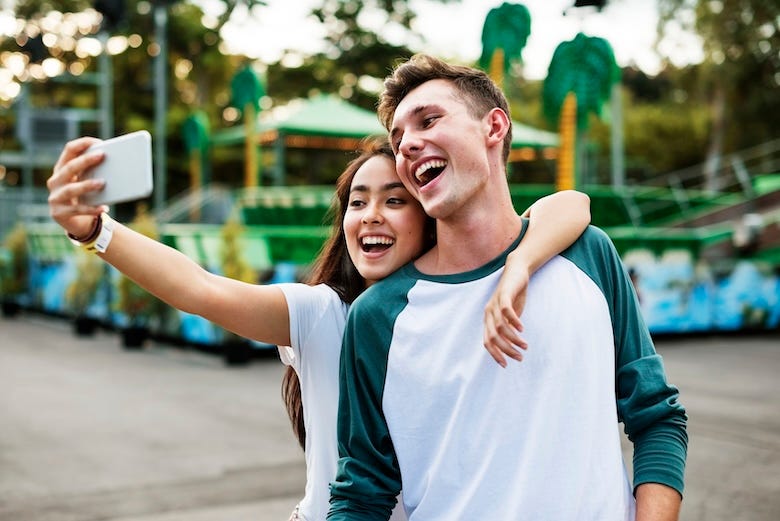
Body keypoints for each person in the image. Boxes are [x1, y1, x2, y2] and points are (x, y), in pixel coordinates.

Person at [47, 136, 590, 521]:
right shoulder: (323, 313)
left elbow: (571, 204)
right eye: (358, 202)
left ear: (430, 215)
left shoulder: (465, 302)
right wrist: (97, 231)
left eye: (394, 201)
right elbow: (200, 288)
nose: (370, 215)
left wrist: (519, 264)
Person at [328, 55, 688, 521]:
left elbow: (657, 418)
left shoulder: (587, 256)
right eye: (398, 140)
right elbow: (360, 494)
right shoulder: (378, 315)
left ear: (494, 127)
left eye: (429, 120)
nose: (408, 146)